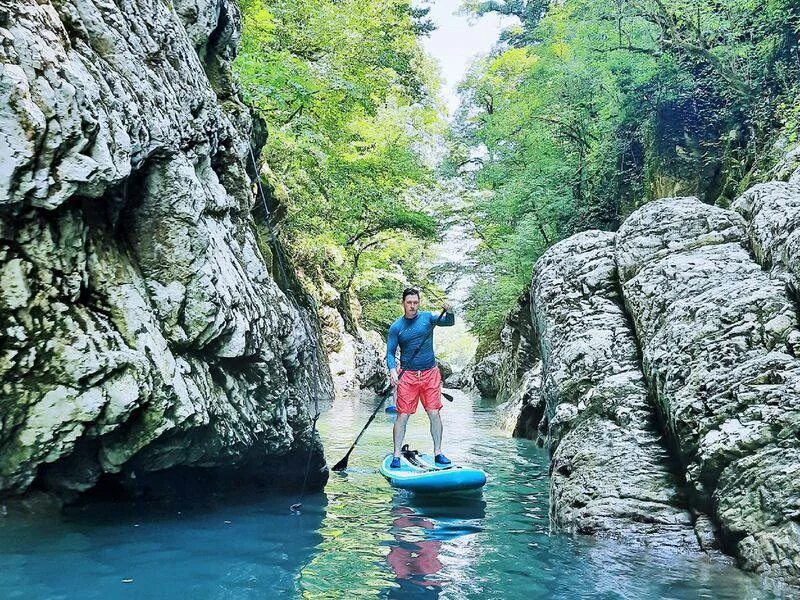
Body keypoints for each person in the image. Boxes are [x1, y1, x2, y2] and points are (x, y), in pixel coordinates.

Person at [385, 287, 455, 469]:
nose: (412, 306)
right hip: (407, 376)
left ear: (419, 303)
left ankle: (438, 453)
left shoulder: (428, 318)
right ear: (403, 303)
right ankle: (396, 455)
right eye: (409, 302)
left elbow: (449, 322)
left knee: (434, 412)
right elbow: (390, 353)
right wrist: (392, 370)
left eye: (415, 302)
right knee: (403, 415)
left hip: (430, 373)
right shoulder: (397, 327)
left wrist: (451, 311)